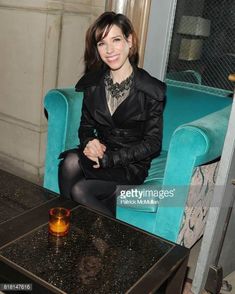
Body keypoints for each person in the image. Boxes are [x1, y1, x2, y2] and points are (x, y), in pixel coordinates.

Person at [58, 11, 166, 217]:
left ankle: (109, 244)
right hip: (102, 153)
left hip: (130, 164)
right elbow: (86, 126)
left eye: (116, 40)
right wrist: (90, 141)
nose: (109, 50)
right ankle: (68, 227)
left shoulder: (150, 90)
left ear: (129, 41)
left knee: (80, 189)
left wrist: (111, 159)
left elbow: (153, 143)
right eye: (101, 43)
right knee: (69, 162)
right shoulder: (92, 84)